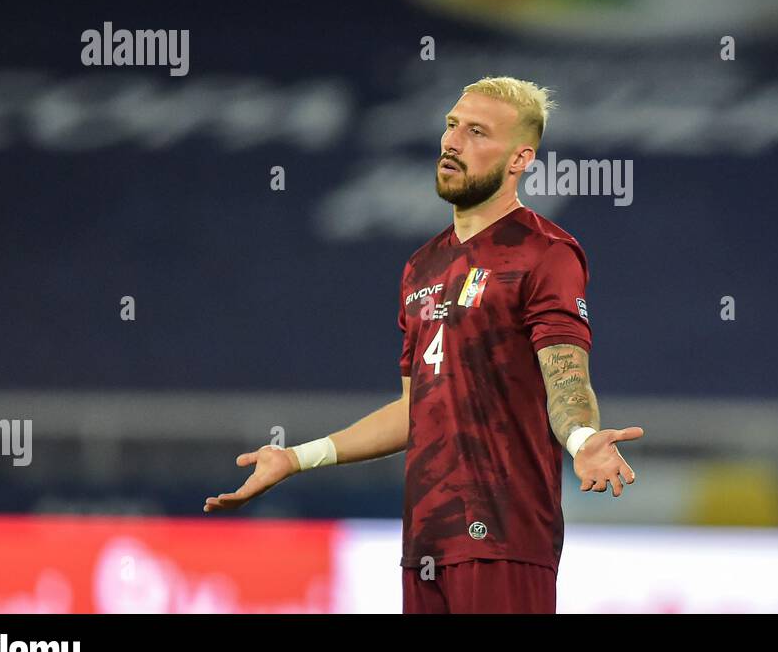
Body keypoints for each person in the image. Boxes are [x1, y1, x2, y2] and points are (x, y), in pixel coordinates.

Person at [204, 76, 644, 613]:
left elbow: (566, 377)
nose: (452, 142)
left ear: (519, 159)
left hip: (503, 538)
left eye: (477, 132)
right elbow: (417, 409)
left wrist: (581, 439)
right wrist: (296, 458)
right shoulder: (422, 266)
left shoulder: (545, 253)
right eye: (451, 125)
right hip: (425, 543)